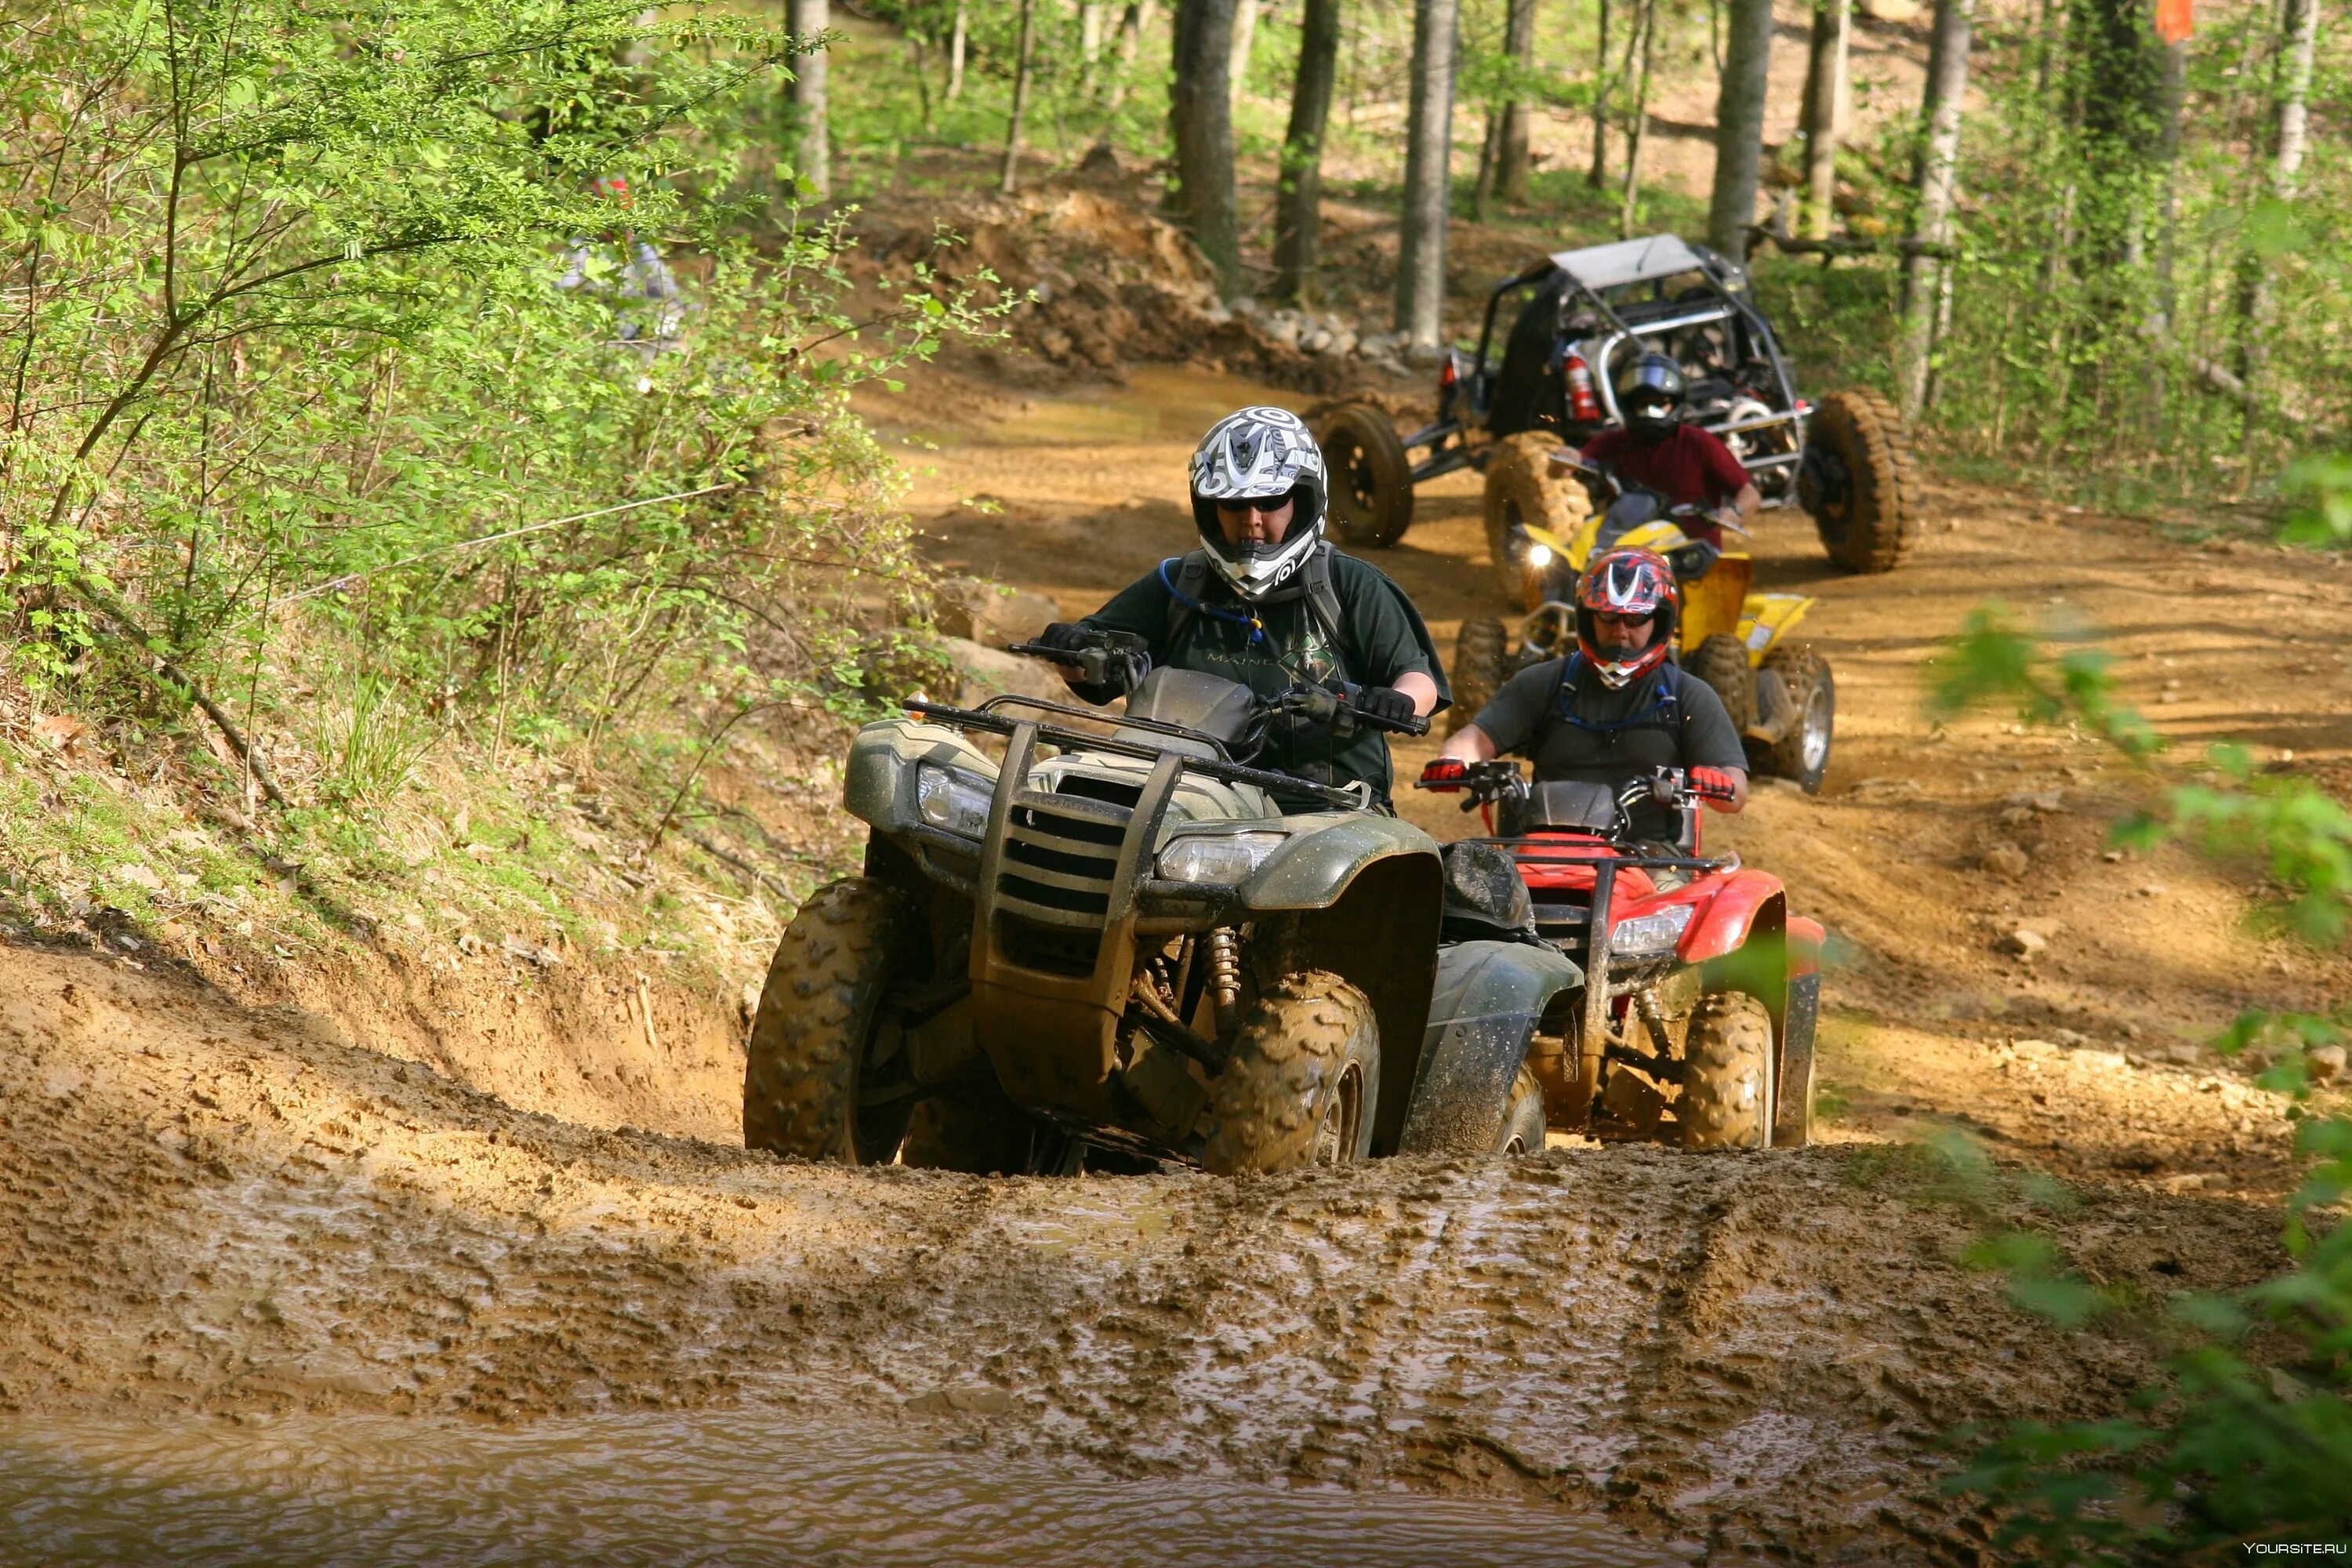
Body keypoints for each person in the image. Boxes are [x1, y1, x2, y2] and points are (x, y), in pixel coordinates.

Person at [1038, 406, 1447, 807]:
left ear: (1302, 500)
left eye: (1270, 501)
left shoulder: (1349, 583)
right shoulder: (1180, 582)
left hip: (1323, 807)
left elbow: (1418, 677)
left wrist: (1398, 700)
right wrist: (1070, 648)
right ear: (1209, 507)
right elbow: (1093, 666)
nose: (1251, 519)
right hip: (1189, 798)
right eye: (1234, 503)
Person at [1435, 546, 1746, 840]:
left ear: (1661, 619)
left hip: (1648, 860)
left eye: (1636, 619)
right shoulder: (1541, 683)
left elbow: (1736, 791)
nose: (1621, 630)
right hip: (1545, 852)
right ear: (1587, 616)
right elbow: (1474, 740)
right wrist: (1455, 760)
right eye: (1608, 617)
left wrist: (1720, 781)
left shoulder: (1689, 696)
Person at [1581, 354, 1760, 549]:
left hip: (1693, 555)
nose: (1650, 411)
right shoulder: (1613, 442)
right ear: (1628, 405)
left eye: (1659, 404)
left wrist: (1734, 512)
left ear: (1676, 403)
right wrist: (1565, 455)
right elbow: (1577, 460)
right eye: (1642, 404)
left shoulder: (1699, 442)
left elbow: (1749, 493)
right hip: (1628, 553)